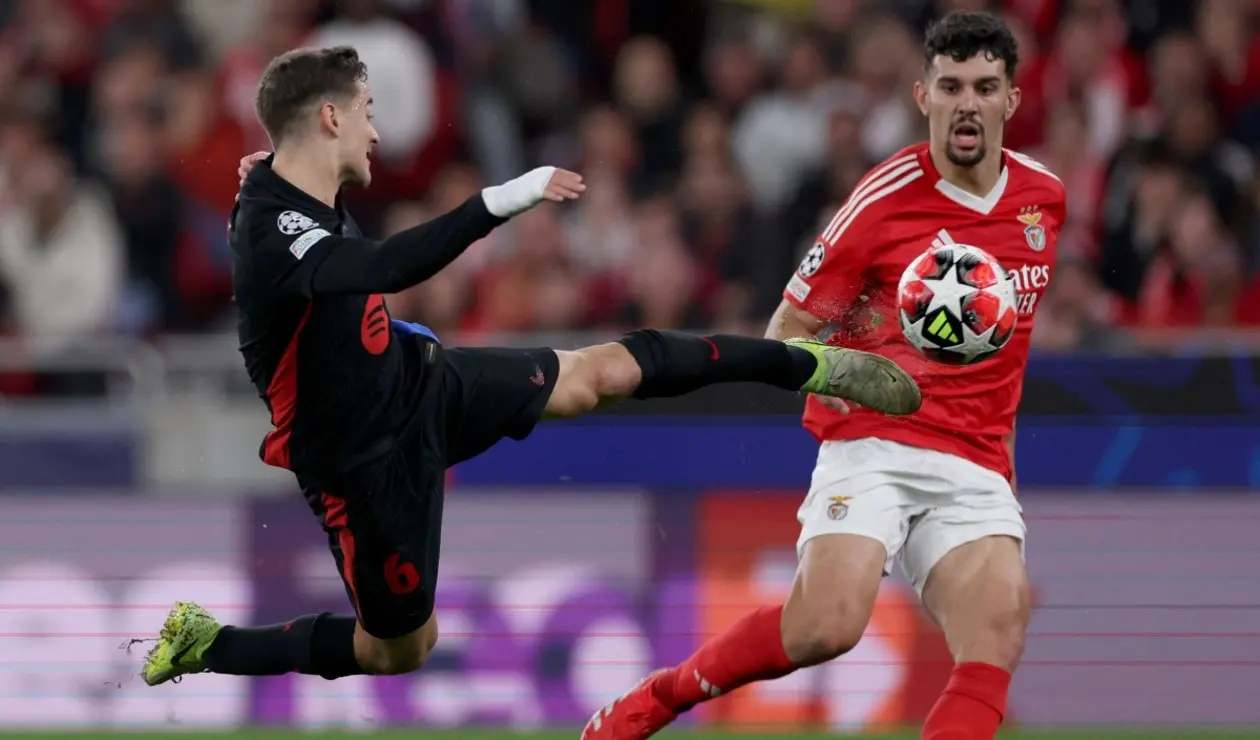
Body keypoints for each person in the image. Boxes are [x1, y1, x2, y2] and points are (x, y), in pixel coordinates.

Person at [138, 45, 922, 688]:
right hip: (362, 465)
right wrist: (498, 201)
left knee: (600, 374)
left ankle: (808, 364)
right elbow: (381, 264)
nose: (378, 135)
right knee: (397, 650)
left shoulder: (283, 184)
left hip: (420, 383)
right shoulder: (268, 228)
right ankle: (210, 643)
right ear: (332, 116)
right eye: (369, 115)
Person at [584, 11, 1063, 740]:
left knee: (999, 629)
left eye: (985, 86)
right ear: (922, 96)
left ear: (1012, 101)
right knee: (828, 625)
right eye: (952, 85)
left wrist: (1002, 474)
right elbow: (788, 332)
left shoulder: (1042, 202)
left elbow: (1009, 358)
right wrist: (864, 375)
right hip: (874, 438)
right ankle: (665, 695)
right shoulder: (884, 200)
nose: (968, 101)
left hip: (974, 459)